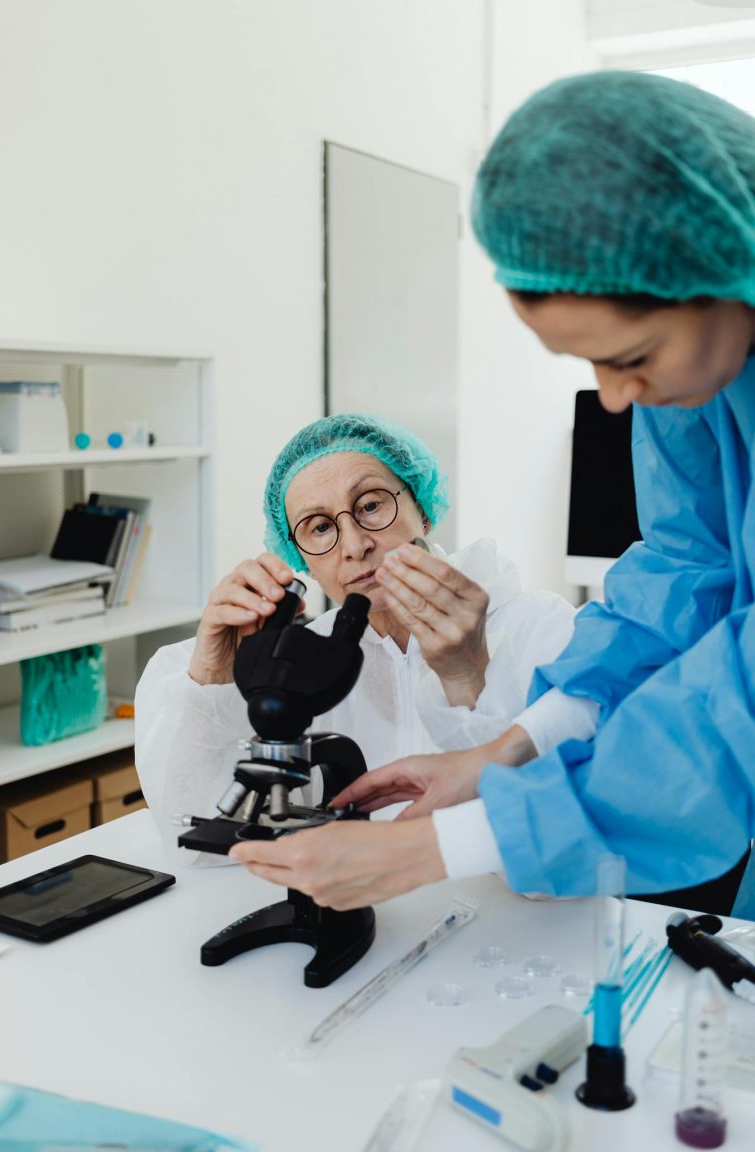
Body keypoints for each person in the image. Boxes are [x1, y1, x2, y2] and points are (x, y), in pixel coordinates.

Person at [230, 70, 755, 919]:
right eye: (318, 529)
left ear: (724, 262)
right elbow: (683, 576)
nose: (614, 399)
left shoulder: (527, 618)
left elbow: (740, 708)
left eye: (630, 355)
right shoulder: (697, 374)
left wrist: (437, 845)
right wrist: (510, 749)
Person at [135, 413, 578, 865]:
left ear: (421, 508)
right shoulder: (309, 663)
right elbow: (202, 847)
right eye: (320, 527)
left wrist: (468, 680)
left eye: (370, 506)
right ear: (299, 557)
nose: (354, 545)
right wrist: (212, 680)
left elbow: (562, 865)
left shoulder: (544, 629)